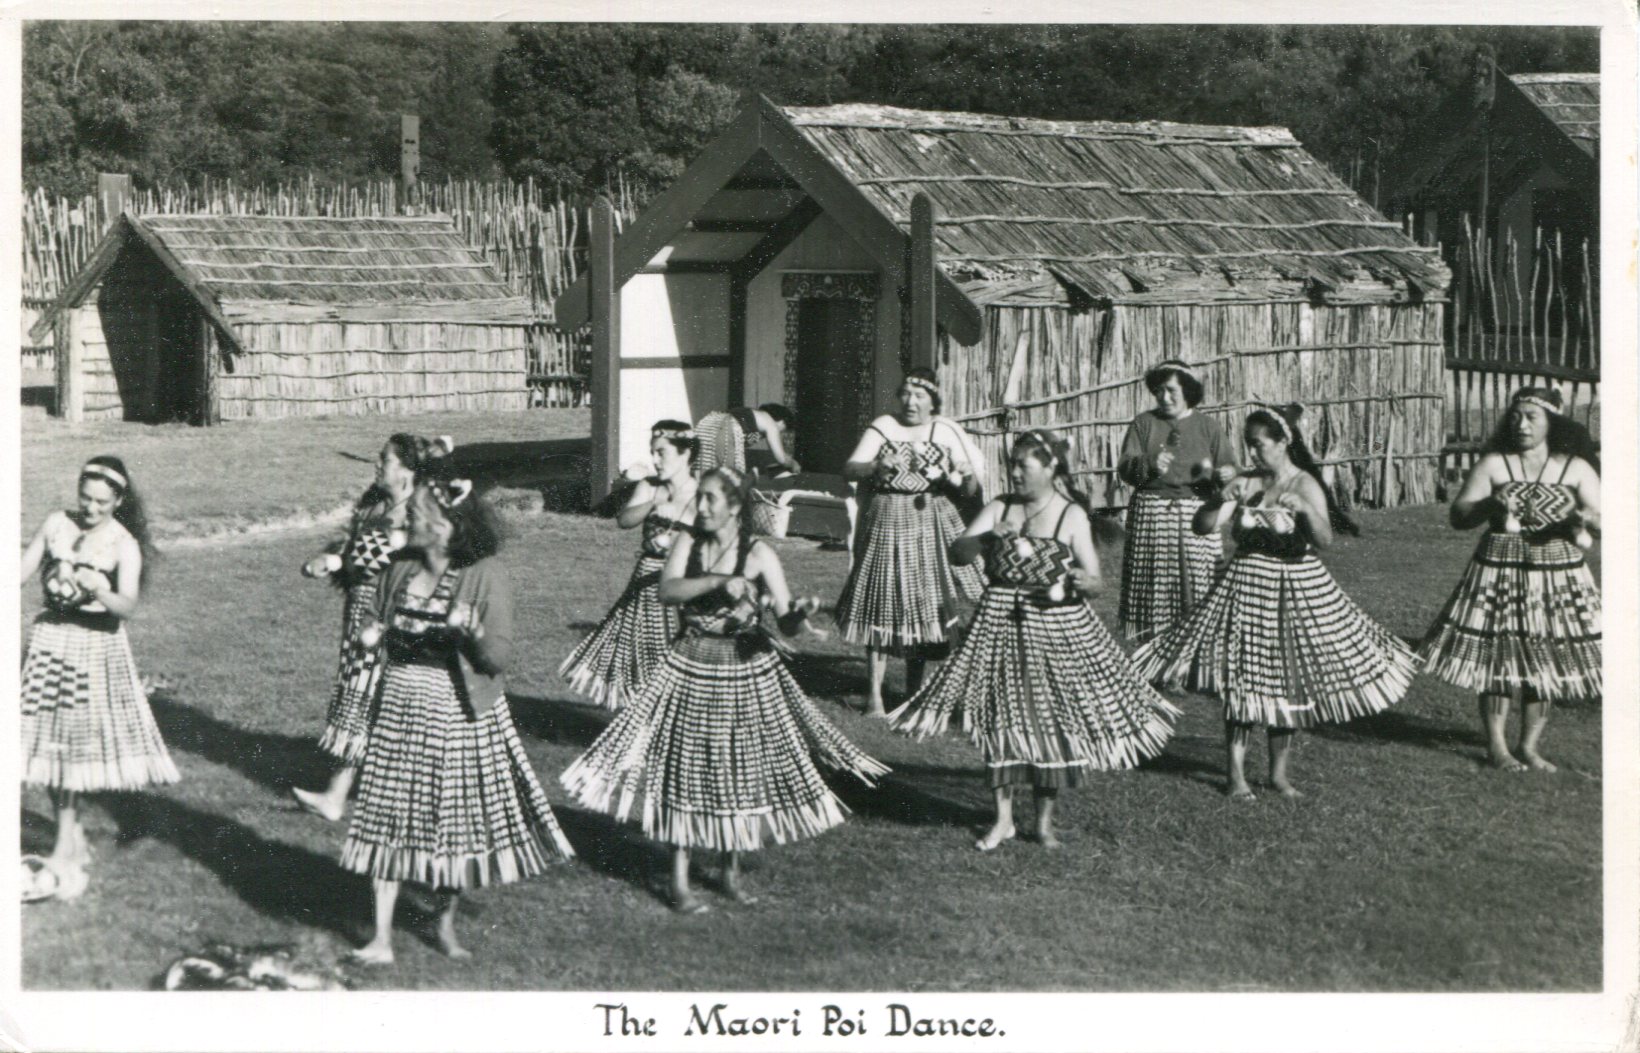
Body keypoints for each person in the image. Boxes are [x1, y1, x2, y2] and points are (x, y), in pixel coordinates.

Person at [561, 466, 887, 914]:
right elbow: (667, 591)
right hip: (690, 661)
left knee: (738, 769)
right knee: (683, 769)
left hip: (745, 666)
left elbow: (786, 622)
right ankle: (679, 881)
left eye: (711, 498)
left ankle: (729, 872)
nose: (702, 506)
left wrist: (800, 613)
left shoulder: (759, 554)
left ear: (735, 506)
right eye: (701, 497)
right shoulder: (688, 542)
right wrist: (717, 581)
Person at [890, 430, 1180, 851]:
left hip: (1055, 629)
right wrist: (988, 536)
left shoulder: (1071, 515)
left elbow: (1096, 581)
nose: (1014, 472)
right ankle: (1002, 819)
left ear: (1049, 468)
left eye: (1023, 466)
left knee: (1052, 722)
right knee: (999, 720)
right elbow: (958, 553)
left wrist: (1082, 581)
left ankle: (1043, 824)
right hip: (999, 624)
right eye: (1012, 464)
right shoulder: (1000, 507)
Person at [340, 460, 572, 964]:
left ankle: (442, 922)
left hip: (455, 712)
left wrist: (472, 633)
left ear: (446, 526)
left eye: (418, 515)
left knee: (451, 822)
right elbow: (371, 621)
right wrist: (370, 635)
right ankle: (380, 937)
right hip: (398, 706)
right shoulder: (399, 568)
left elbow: (496, 659)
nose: (408, 521)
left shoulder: (485, 576)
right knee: (386, 813)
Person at [1132, 406, 1416, 801]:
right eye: (1248, 445)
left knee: (1284, 680)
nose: (1252, 453)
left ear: (1283, 443)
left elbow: (1324, 540)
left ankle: (1278, 775)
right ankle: (1236, 776)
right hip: (1246, 587)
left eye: (1259, 445)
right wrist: (1217, 500)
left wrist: (1307, 511)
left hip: (1293, 589)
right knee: (1243, 679)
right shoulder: (1247, 482)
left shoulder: (1305, 484)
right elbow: (1203, 527)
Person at [20, 455, 179, 900]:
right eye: (85, 498)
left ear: (118, 501)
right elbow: (17, 571)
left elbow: (127, 606)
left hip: (93, 649)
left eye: (101, 503)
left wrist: (100, 590)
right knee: (46, 745)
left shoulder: (123, 544)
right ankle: (71, 841)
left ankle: (62, 854)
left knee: (71, 749)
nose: (90, 508)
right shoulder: (56, 523)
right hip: (51, 641)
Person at [1419, 388, 1601, 772]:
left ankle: (1529, 747)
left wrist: (1584, 519)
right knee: (1499, 655)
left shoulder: (1577, 468)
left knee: (1545, 657)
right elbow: (1459, 517)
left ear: (1553, 423)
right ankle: (1497, 747)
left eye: (1532, 417)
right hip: (1499, 568)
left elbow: (1604, 523)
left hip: (1558, 573)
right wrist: (1490, 503)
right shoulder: (1494, 464)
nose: (1521, 424)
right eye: (1516, 416)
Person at [292, 434, 450, 821]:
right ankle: (342, 794)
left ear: (406, 470)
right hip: (360, 610)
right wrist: (330, 560)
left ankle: (351, 795)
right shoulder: (373, 505)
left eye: (386, 459)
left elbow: (430, 557)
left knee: (376, 696)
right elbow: (353, 552)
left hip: (392, 613)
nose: (377, 465)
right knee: (361, 694)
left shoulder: (419, 511)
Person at [836, 367, 986, 715]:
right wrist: (875, 467)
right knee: (880, 599)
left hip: (929, 523)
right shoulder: (883, 426)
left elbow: (970, 489)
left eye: (919, 396)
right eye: (905, 394)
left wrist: (964, 475)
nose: (910, 402)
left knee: (923, 604)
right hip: (886, 519)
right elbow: (849, 469)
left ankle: (913, 693)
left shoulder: (946, 431)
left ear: (933, 401)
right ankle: (874, 697)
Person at [560, 421, 698, 708]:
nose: (655, 460)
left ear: (685, 453)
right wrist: (653, 504)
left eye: (662, 453)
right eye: (652, 452)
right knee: (643, 647)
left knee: (683, 647)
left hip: (685, 581)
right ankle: (642, 707)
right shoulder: (649, 487)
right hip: (647, 581)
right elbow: (624, 520)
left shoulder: (702, 491)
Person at [1116, 360, 1240, 641]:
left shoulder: (1208, 427)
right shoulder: (1143, 424)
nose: (1164, 397)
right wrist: (1148, 463)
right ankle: (1153, 649)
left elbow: (1231, 468)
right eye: (1159, 391)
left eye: (1171, 390)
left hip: (1197, 517)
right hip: (1152, 517)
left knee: (1198, 587)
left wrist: (1227, 472)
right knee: (1153, 588)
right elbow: (1125, 467)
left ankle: (1195, 650)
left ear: (1188, 391)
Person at [694, 404, 801, 478]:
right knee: (732, 477)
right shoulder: (770, 422)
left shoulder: (753, 418)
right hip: (726, 427)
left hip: (706, 426)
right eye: (783, 430)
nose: (780, 433)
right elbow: (781, 459)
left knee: (706, 474)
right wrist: (793, 463)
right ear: (782, 422)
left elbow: (740, 443)